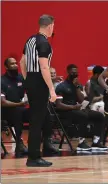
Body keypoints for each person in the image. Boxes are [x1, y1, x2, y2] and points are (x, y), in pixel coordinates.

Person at [20, 14, 58, 167]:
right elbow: (44, 67)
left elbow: (22, 62)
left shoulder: (30, 40)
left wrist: (27, 80)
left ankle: (34, 155)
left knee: (36, 120)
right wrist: (52, 89)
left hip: (30, 80)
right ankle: (33, 157)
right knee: (37, 121)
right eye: (53, 26)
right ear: (50, 26)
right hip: (40, 83)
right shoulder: (44, 43)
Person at [55, 64, 107, 151]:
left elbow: (82, 100)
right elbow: (58, 105)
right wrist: (72, 107)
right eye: (72, 73)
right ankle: (81, 142)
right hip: (65, 112)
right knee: (83, 116)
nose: (75, 74)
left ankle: (96, 141)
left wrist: (77, 87)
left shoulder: (77, 85)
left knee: (99, 115)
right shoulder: (61, 86)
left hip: (76, 109)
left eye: (76, 73)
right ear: (68, 72)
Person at [1, 57, 28, 157]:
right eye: (12, 64)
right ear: (6, 67)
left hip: (19, 108)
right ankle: (19, 143)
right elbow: (2, 103)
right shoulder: (2, 81)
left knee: (38, 112)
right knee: (17, 112)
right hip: (5, 111)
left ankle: (41, 142)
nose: (15, 65)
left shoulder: (21, 78)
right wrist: (19, 104)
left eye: (16, 63)